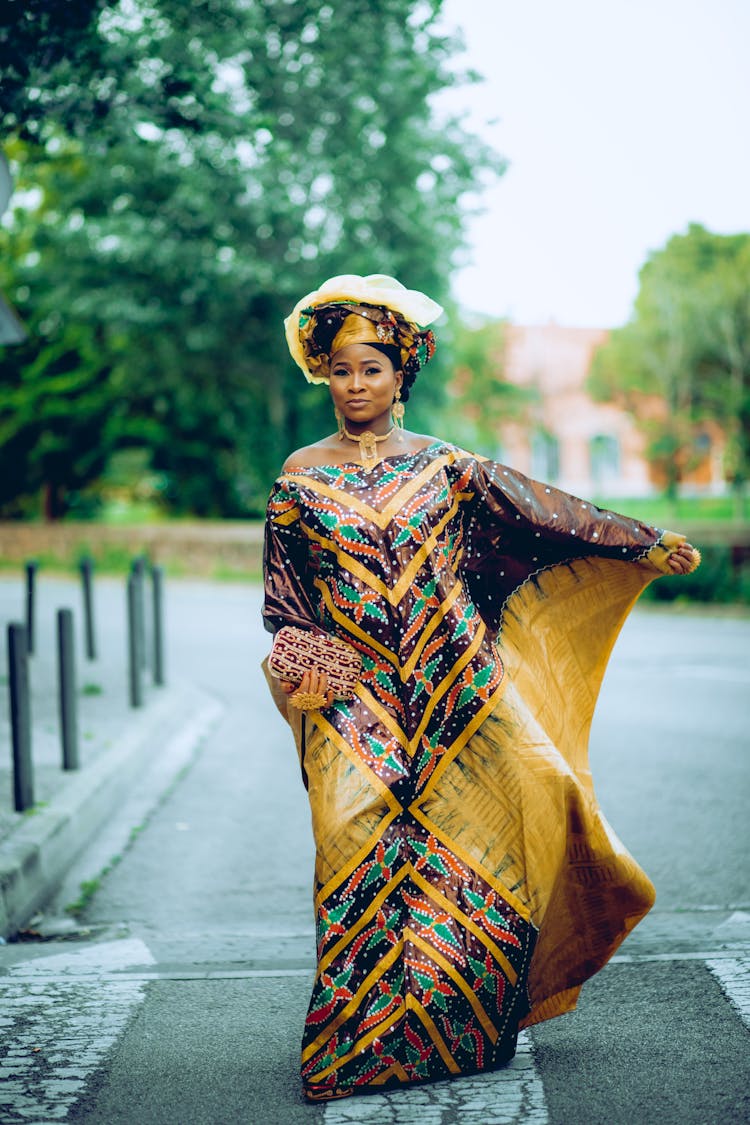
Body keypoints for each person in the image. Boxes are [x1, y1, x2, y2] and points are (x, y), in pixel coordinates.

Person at [262, 273, 699, 1102]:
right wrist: (302, 660)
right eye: (344, 369)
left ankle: (455, 1027)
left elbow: (551, 514)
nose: (357, 385)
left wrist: (643, 541)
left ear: (402, 375)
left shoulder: (450, 468)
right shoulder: (298, 478)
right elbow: (283, 598)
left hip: (458, 688)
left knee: (475, 848)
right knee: (351, 846)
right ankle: (356, 1041)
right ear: (324, 372)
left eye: (374, 369)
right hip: (354, 701)